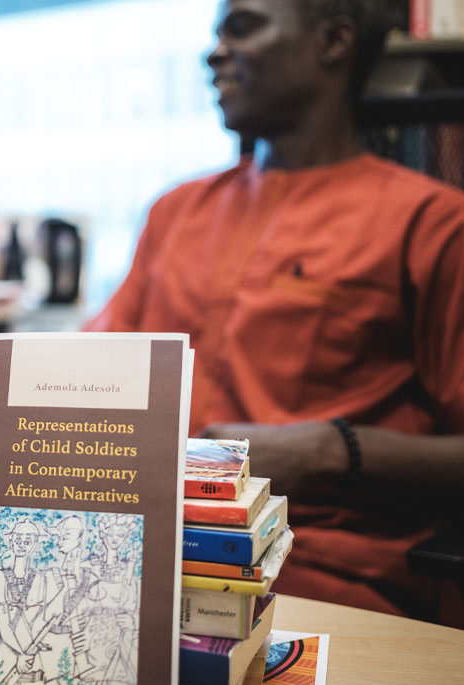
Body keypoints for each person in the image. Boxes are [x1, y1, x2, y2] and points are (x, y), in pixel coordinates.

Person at [87, 0, 464, 625]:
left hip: (316, 577)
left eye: (243, 27)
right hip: (141, 558)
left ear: (334, 41)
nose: (214, 53)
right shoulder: (174, 212)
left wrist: (331, 450)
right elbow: (92, 370)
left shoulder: (432, 225)